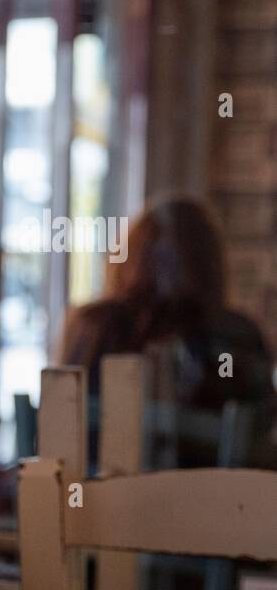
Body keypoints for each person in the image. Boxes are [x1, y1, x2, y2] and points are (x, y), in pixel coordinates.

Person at [61, 195, 275, 469]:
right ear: (209, 263)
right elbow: (259, 438)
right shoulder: (237, 333)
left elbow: (61, 434)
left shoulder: (93, 324)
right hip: (212, 505)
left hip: (94, 503)